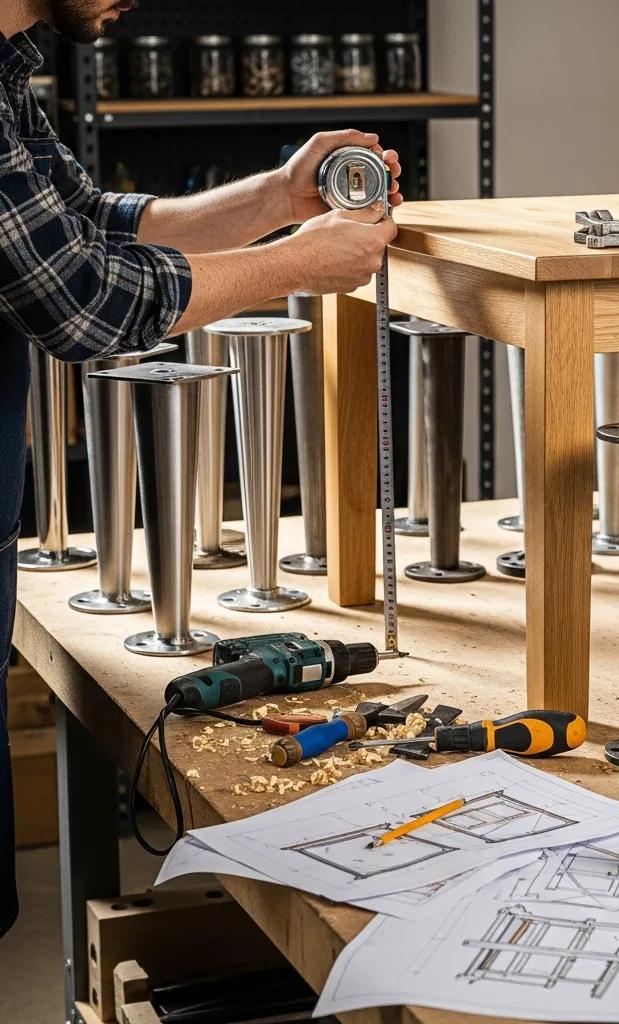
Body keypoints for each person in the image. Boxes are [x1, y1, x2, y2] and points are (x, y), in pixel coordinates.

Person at [0, 0, 403, 937]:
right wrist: (298, 264)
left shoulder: (9, 71)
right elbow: (83, 303)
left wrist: (277, 199)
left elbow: (91, 228)